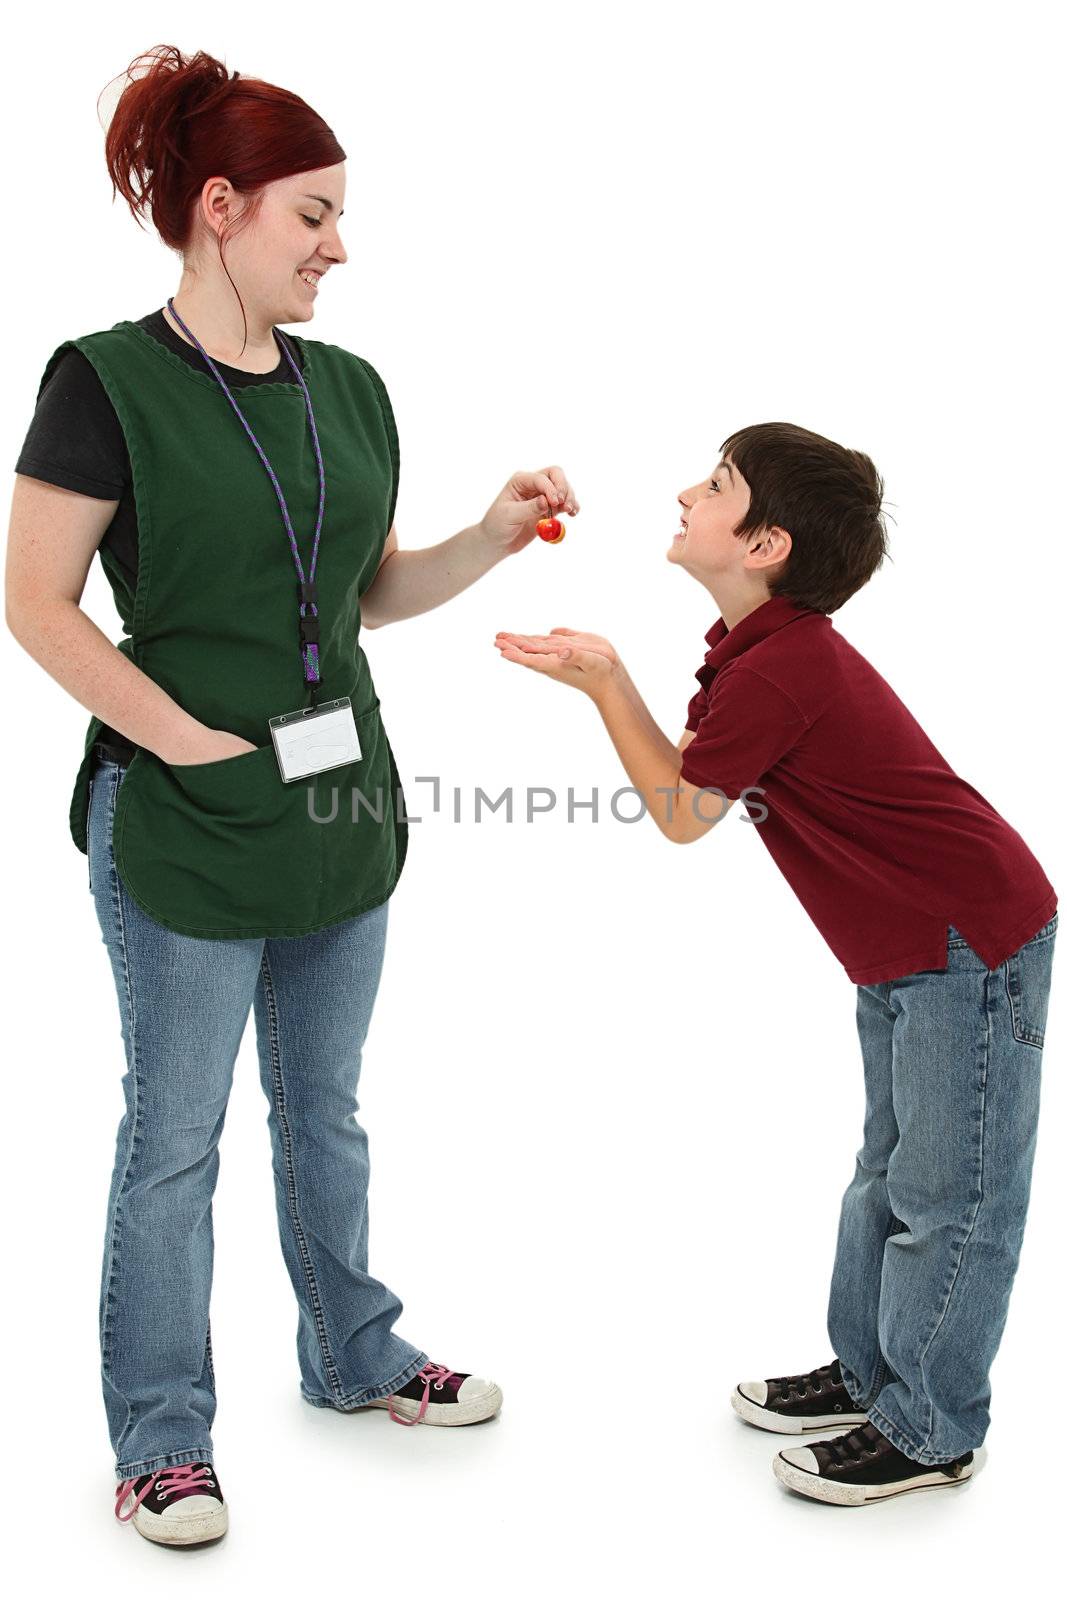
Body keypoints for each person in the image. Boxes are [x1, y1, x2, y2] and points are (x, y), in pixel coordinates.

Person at [5, 44, 580, 1549]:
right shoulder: (102, 382)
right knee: (174, 1136)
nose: (339, 247)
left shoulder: (351, 390)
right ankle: (159, 1442)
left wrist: (489, 536)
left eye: (337, 218)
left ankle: (353, 1353)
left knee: (322, 1112)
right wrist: (183, 742)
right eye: (312, 216)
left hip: (337, 811)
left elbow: (368, 595)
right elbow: (38, 604)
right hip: (188, 823)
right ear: (219, 209)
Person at [495, 421, 1057, 1506]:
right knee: (885, 1173)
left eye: (713, 485)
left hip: (964, 942)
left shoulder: (781, 668)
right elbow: (692, 787)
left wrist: (604, 682)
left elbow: (678, 812)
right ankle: (867, 1373)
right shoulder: (759, 652)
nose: (684, 493)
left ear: (764, 544)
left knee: (952, 1196)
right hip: (904, 946)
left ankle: (932, 1425)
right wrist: (610, 674)